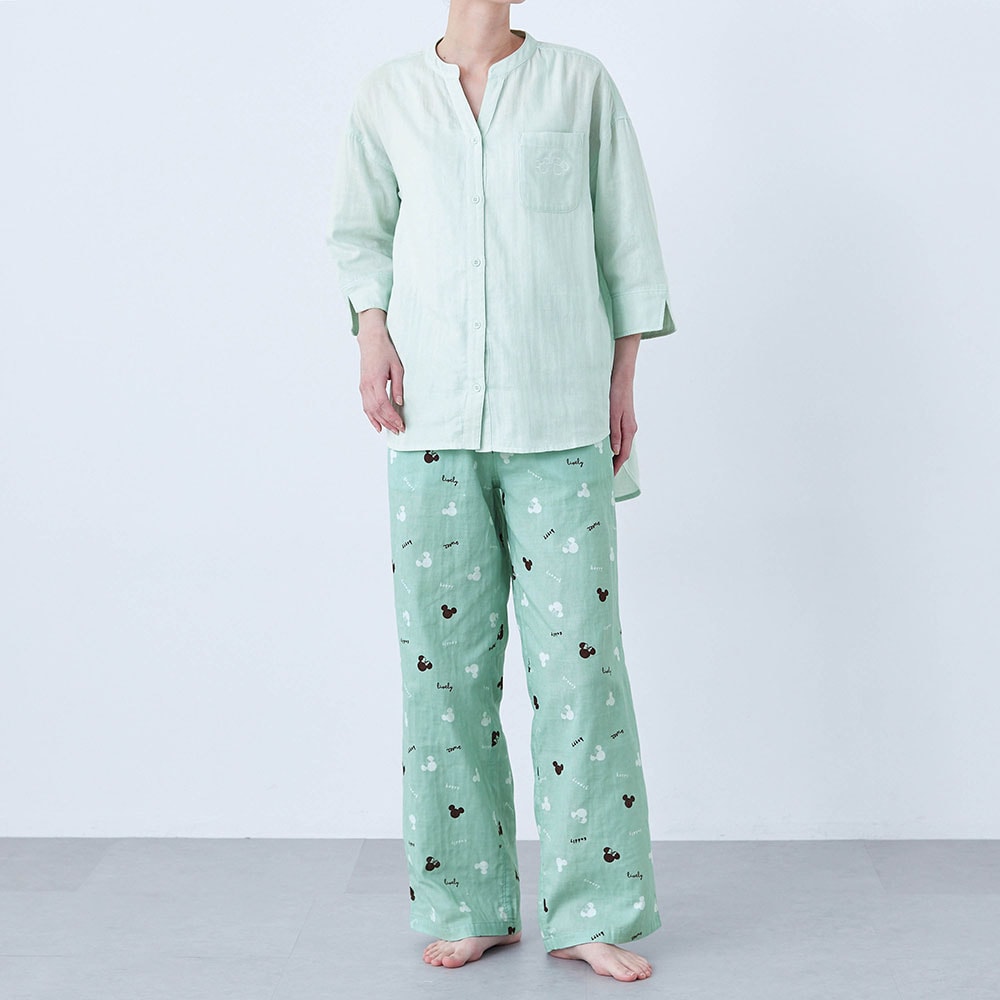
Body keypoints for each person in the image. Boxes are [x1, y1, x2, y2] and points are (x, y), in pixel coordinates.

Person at [326, 0, 676, 983]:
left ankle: (590, 909)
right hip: (430, 420)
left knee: (580, 670)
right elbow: (360, 235)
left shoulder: (579, 85)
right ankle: (466, 901)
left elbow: (626, 241)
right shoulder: (388, 95)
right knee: (442, 672)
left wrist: (622, 382)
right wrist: (371, 333)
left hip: (559, 413)